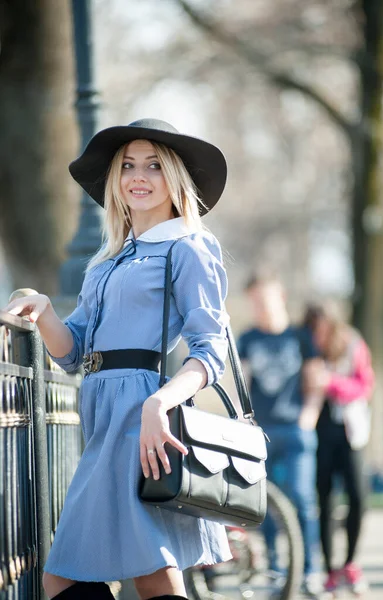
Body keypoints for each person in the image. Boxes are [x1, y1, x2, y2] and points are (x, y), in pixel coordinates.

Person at [2, 118, 233, 600]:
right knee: (143, 573)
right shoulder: (107, 261)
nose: (138, 176)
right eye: (128, 165)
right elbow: (72, 355)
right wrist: (44, 310)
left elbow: (210, 352)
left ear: (174, 178)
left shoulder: (187, 247)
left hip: (146, 419)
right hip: (103, 415)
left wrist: (160, 404)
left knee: (75, 574)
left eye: (154, 165)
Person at [237, 274, 322, 599]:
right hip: (262, 434)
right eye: (255, 301)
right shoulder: (248, 339)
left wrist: (306, 420)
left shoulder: (301, 337)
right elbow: (242, 383)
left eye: (265, 299)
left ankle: (311, 570)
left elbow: (316, 381)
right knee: (266, 504)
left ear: (280, 296)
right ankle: (276, 571)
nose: (261, 307)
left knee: (302, 500)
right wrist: (245, 422)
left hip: (295, 432)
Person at [303, 302, 374, 595]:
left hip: (349, 429)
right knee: (325, 499)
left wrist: (332, 384)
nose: (318, 335)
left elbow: (365, 385)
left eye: (322, 329)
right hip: (320, 429)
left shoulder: (352, 343)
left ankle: (350, 563)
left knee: (358, 496)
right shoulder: (306, 347)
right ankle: (330, 569)